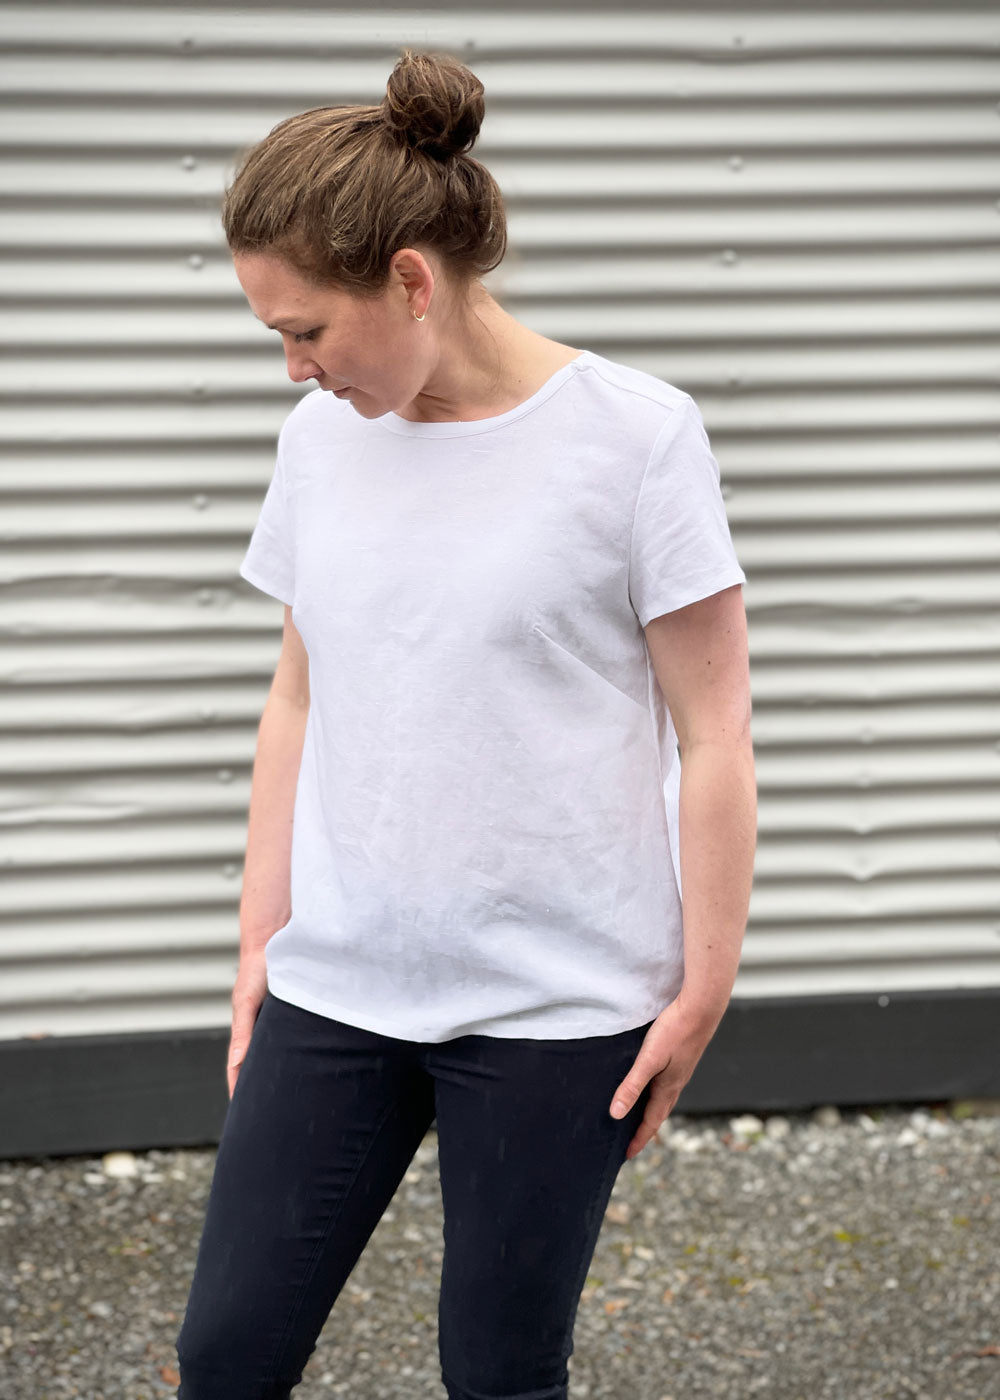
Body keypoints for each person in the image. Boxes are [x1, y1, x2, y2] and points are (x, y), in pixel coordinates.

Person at [174, 45, 756, 1400]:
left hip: (557, 1007)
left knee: (498, 1370)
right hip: (341, 983)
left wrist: (703, 987)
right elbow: (299, 693)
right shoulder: (322, 442)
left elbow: (714, 731)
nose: (292, 367)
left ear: (414, 281)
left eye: (303, 329)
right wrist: (262, 940)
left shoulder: (637, 441)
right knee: (228, 1354)